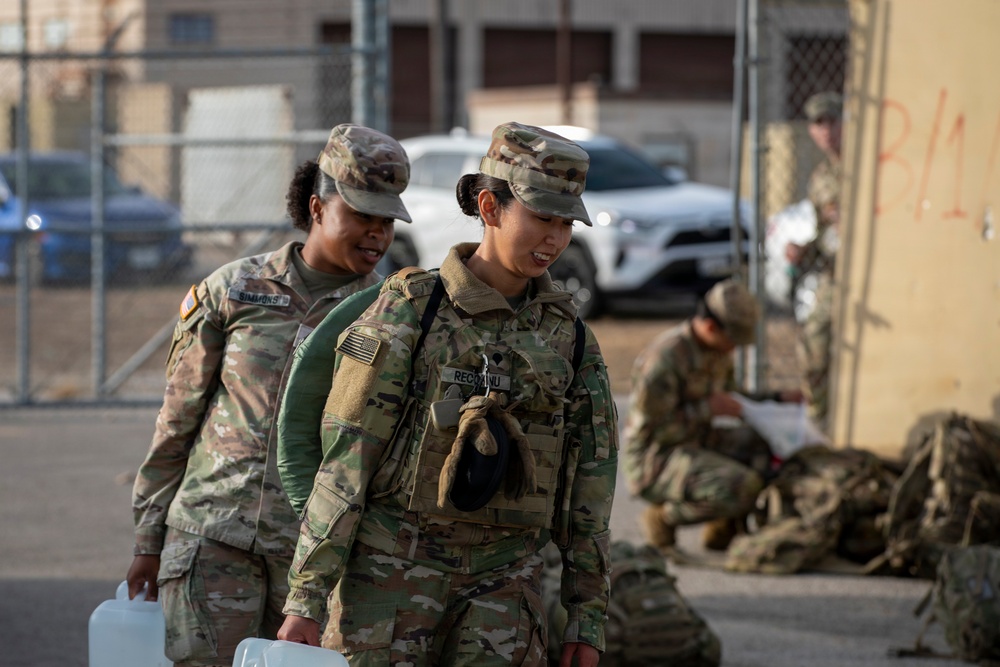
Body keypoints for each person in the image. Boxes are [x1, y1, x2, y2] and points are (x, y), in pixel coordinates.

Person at [276, 121, 619, 667]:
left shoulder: (571, 339)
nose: (555, 239)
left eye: (565, 223)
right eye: (541, 218)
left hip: (506, 587)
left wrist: (587, 618)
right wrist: (307, 598)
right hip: (389, 579)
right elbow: (347, 462)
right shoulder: (413, 310)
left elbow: (590, 490)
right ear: (489, 207)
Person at [125, 123, 412, 667]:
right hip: (211, 540)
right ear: (317, 207)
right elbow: (178, 419)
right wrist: (147, 538)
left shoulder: (393, 314)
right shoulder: (234, 290)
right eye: (361, 215)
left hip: (315, 556)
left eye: (386, 221)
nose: (376, 234)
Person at [621, 279, 803, 558]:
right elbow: (654, 430)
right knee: (743, 485)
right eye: (732, 342)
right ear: (709, 327)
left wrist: (778, 398)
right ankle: (663, 518)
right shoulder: (665, 361)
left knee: (765, 448)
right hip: (654, 458)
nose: (734, 350)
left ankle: (723, 527)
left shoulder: (715, 350)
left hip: (695, 438)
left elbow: (735, 395)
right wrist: (708, 409)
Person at [785, 91, 844, 434]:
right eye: (818, 124)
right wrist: (802, 250)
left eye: (831, 122)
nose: (826, 132)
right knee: (814, 345)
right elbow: (823, 237)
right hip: (835, 275)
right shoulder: (821, 178)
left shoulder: (868, 167)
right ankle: (821, 422)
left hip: (877, 276)